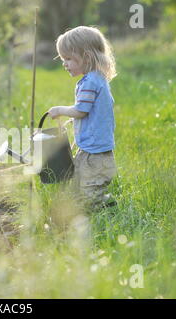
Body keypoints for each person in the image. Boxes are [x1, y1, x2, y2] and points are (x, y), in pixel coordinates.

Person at [47, 26, 118, 209]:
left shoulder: (90, 82)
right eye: (63, 59)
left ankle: (107, 208)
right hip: (91, 149)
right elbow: (90, 111)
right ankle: (101, 203)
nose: (65, 64)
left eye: (68, 58)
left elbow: (81, 111)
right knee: (79, 188)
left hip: (94, 154)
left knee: (89, 195)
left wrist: (60, 110)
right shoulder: (96, 79)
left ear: (85, 56)